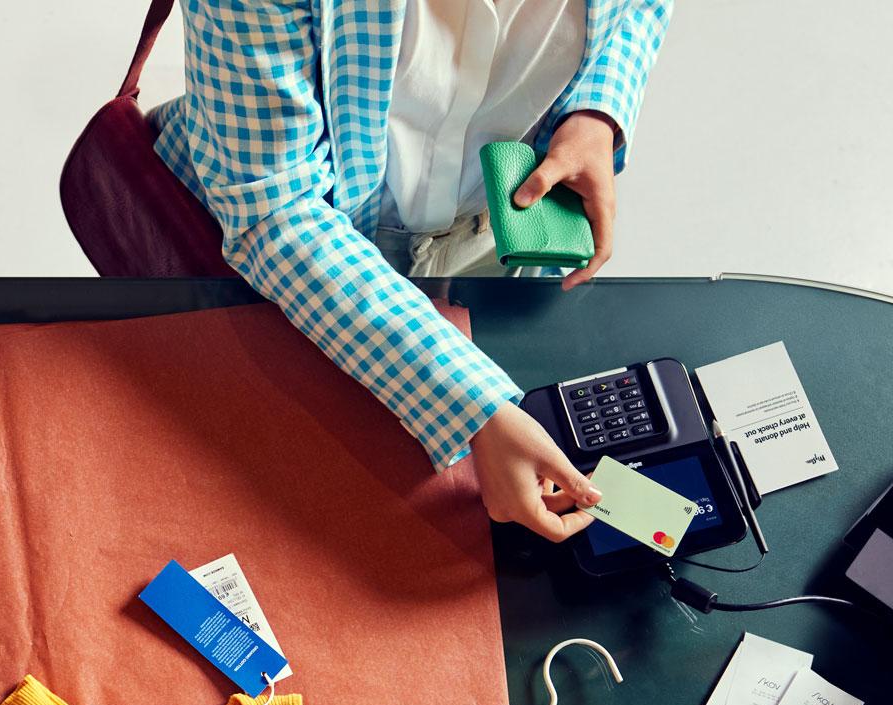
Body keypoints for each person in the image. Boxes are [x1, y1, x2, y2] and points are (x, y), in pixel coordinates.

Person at [148, 0, 674, 544]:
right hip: (289, 264)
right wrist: (475, 405)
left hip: (500, 236)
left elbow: (638, 10)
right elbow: (274, 209)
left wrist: (596, 112)